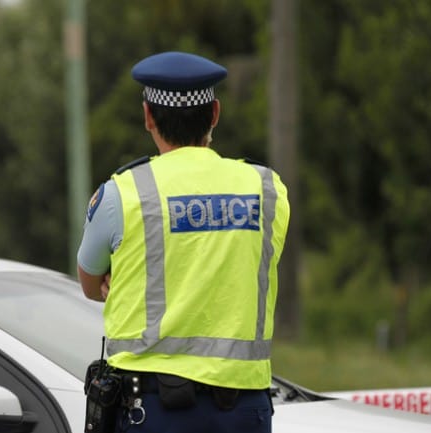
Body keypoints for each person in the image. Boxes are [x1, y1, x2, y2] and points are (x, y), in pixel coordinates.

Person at [77, 51, 290, 433]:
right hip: (246, 412)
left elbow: (92, 284)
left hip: (154, 411)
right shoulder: (266, 189)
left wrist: (126, 278)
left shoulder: (122, 194)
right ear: (215, 114)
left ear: (148, 117)